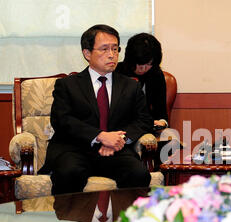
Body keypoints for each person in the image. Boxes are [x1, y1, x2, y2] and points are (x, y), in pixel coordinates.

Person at [39, 24, 153, 194]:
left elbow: (144, 120)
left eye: (115, 49)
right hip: (74, 149)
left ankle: (126, 220)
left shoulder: (130, 86)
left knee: (139, 173)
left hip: (116, 151)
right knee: (69, 172)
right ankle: (68, 221)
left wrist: (118, 139)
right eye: (104, 49)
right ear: (87, 53)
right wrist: (100, 136)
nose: (112, 55)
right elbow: (62, 120)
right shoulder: (68, 85)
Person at [115, 32, 169, 129]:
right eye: (140, 64)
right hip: (120, 129)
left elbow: (161, 111)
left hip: (147, 127)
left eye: (149, 64)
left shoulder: (156, 74)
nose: (143, 69)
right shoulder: (116, 72)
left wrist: (162, 122)